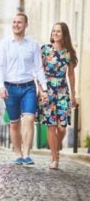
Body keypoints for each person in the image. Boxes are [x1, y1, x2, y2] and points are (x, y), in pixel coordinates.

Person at [0, 13, 48, 166]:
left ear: (26, 25)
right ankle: (17, 153)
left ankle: (26, 154)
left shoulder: (33, 44)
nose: (16, 25)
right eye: (14, 22)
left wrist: (44, 89)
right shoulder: (4, 44)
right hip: (10, 87)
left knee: (30, 119)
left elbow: (38, 68)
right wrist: (1, 86)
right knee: (14, 123)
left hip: (28, 87)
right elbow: (0, 67)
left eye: (19, 22)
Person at [39, 22, 80, 170]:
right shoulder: (45, 49)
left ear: (64, 35)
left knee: (62, 128)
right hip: (48, 90)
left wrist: (73, 95)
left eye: (58, 32)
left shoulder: (68, 53)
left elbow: (71, 74)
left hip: (62, 91)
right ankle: (54, 159)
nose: (55, 34)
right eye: (53, 31)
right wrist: (41, 90)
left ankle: (56, 148)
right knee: (51, 126)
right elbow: (39, 71)